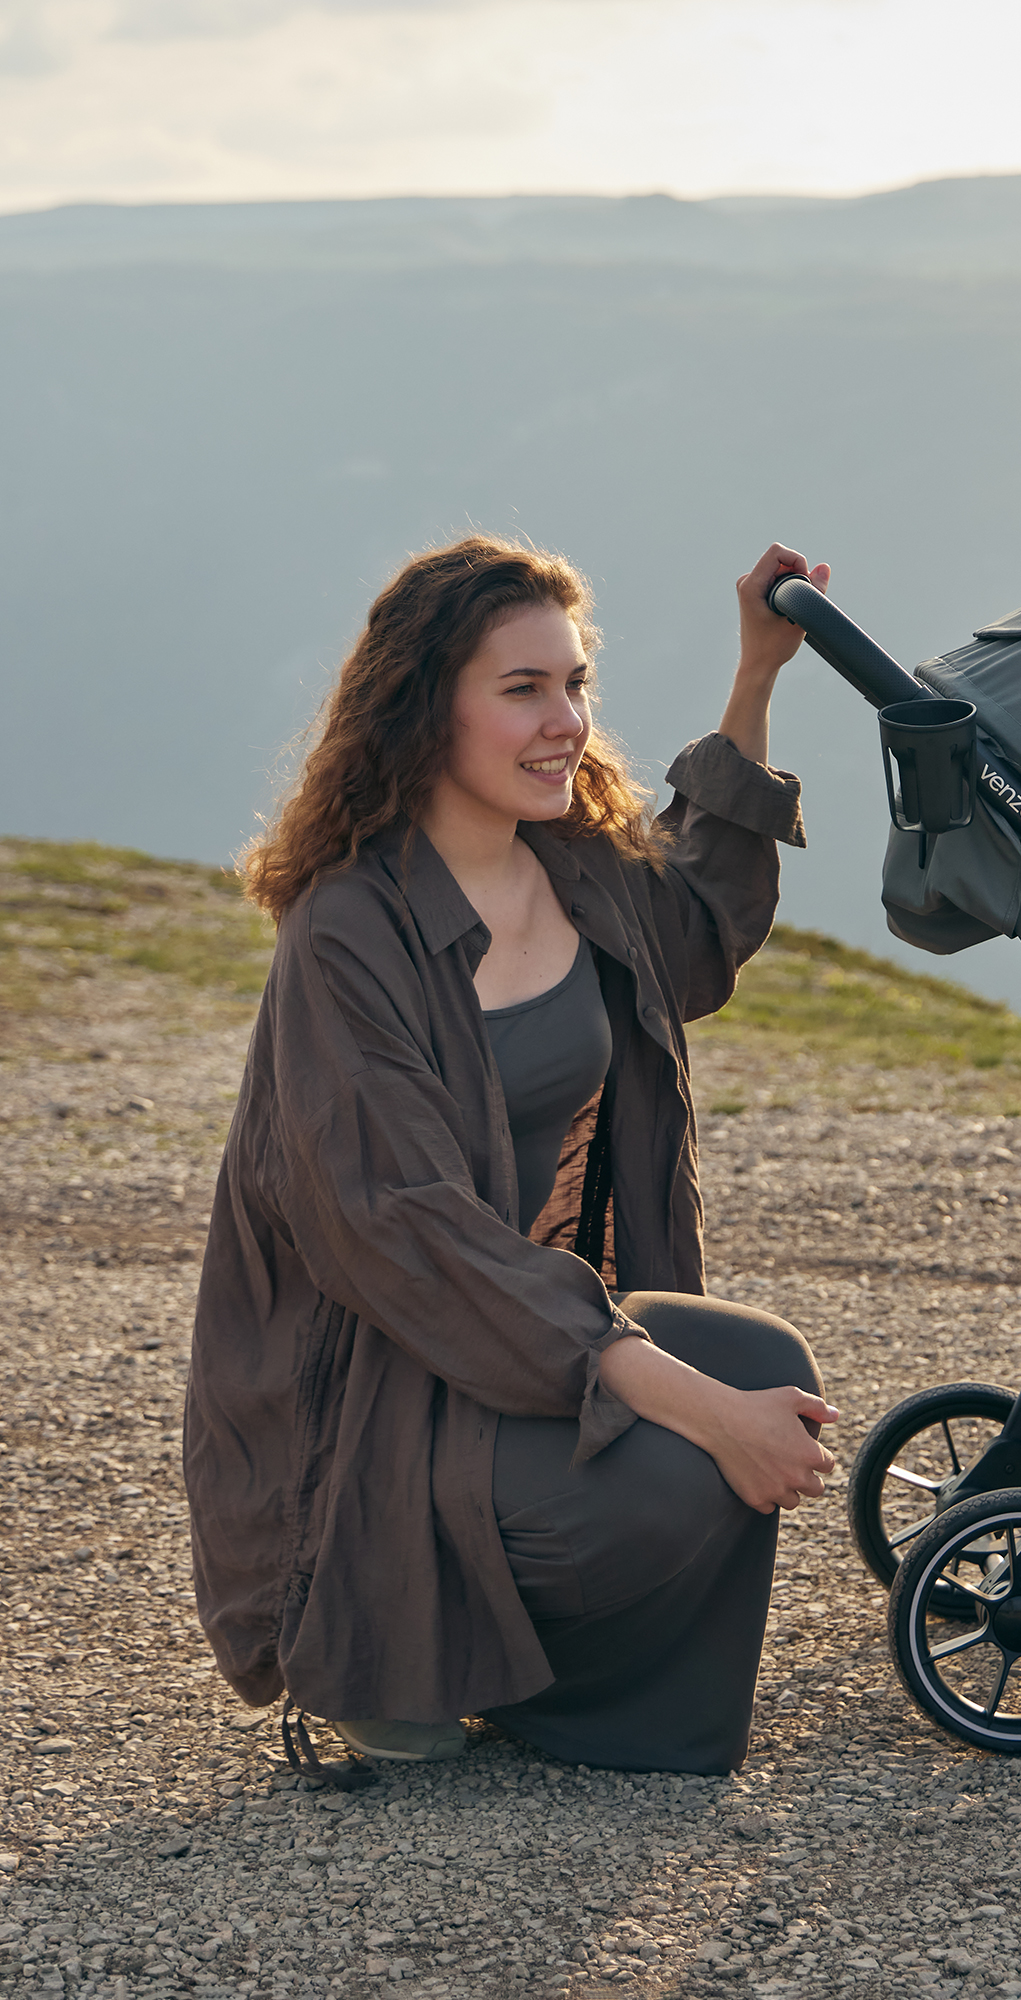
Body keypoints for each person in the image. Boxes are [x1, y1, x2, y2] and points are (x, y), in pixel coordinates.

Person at [185, 535, 839, 1775]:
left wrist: (755, 674)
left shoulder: (575, 863)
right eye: (522, 689)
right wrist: (704, 1414)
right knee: (684, 1467)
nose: (567, 723)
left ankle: (582, 1695)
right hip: (403, 1389)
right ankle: (390, 1656)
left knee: (761, 1358)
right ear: (425, 704)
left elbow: (698, 926)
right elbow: (418, 1238)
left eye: (575, 683)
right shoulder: (347, 932)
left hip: (530, 1342)